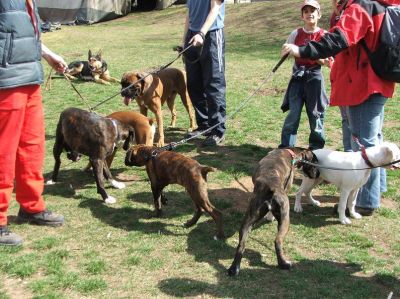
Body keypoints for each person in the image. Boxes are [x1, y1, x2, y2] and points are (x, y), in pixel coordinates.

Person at [282, 0, 399, 215]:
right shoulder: (374, 5)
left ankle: (365, 201)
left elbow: (339, 39)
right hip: (370, 83)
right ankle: (375, 190)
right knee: (373, 140)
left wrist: (302, 50)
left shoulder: (362, 6)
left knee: (364, 146)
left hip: (362, 85)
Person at [0, 0, 67, 246]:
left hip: (29, 77)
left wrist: (48, 54)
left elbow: (26, 33)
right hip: (5, 81)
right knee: (3, 153)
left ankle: (31, 205)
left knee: (32, 147)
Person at [279, 0, 332, 150]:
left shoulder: (324, 35)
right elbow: (284, 52)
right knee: (293, 115)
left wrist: (322, 60)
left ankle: (316, 150)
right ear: (302, 16)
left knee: (316, 116)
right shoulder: (295, 33)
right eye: (306, 11)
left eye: (312, 11)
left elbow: (328, 60)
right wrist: (286, 50)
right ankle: (286, 149)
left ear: (319, 14)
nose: (309, 14)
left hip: (315, 79)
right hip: (297, 78)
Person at [182, 0, 226, 147]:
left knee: (214, 85)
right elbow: (189, 15)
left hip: (212, 34)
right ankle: (204, 125)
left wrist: (202, 33)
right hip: (192, 36)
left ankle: (217, 130)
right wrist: (184, 42)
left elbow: (215, 9)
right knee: (194, 84)